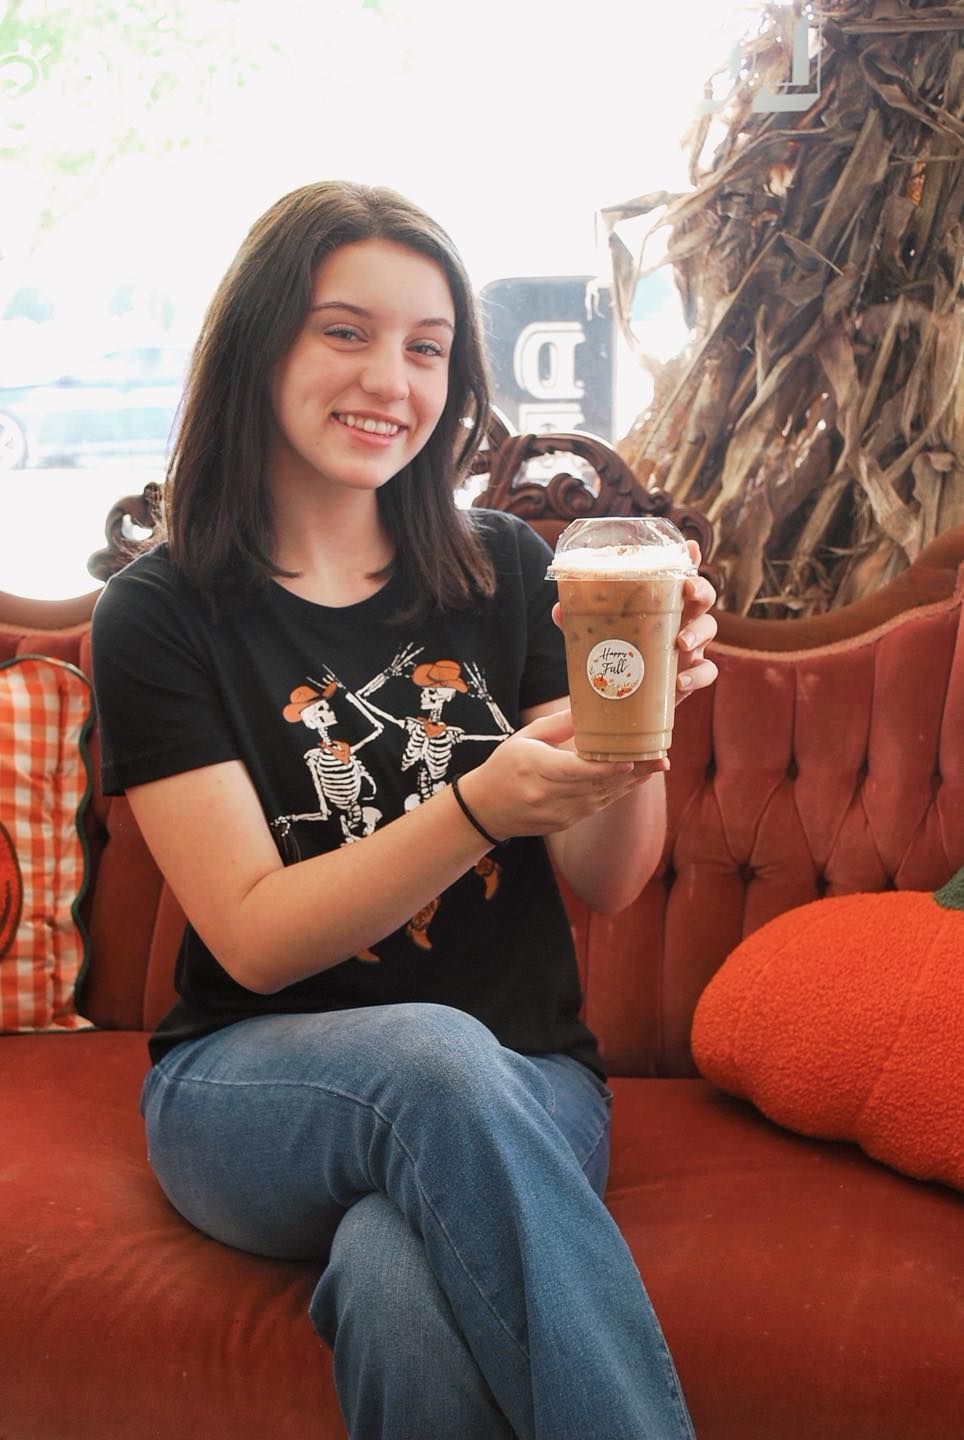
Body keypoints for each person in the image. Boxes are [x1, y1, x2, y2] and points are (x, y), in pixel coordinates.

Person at [90, 180, 718, 1440]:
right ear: (260, 343)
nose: (391, 379)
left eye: (427, 349)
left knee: (394, 1281)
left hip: (527, 1085)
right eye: (345, 331)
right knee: (431, 1054)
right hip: (249, 1091)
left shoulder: (509, 571)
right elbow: (254, 938)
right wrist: (475, 808)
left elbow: (607, 880)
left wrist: (630, 727)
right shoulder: (159, 615)